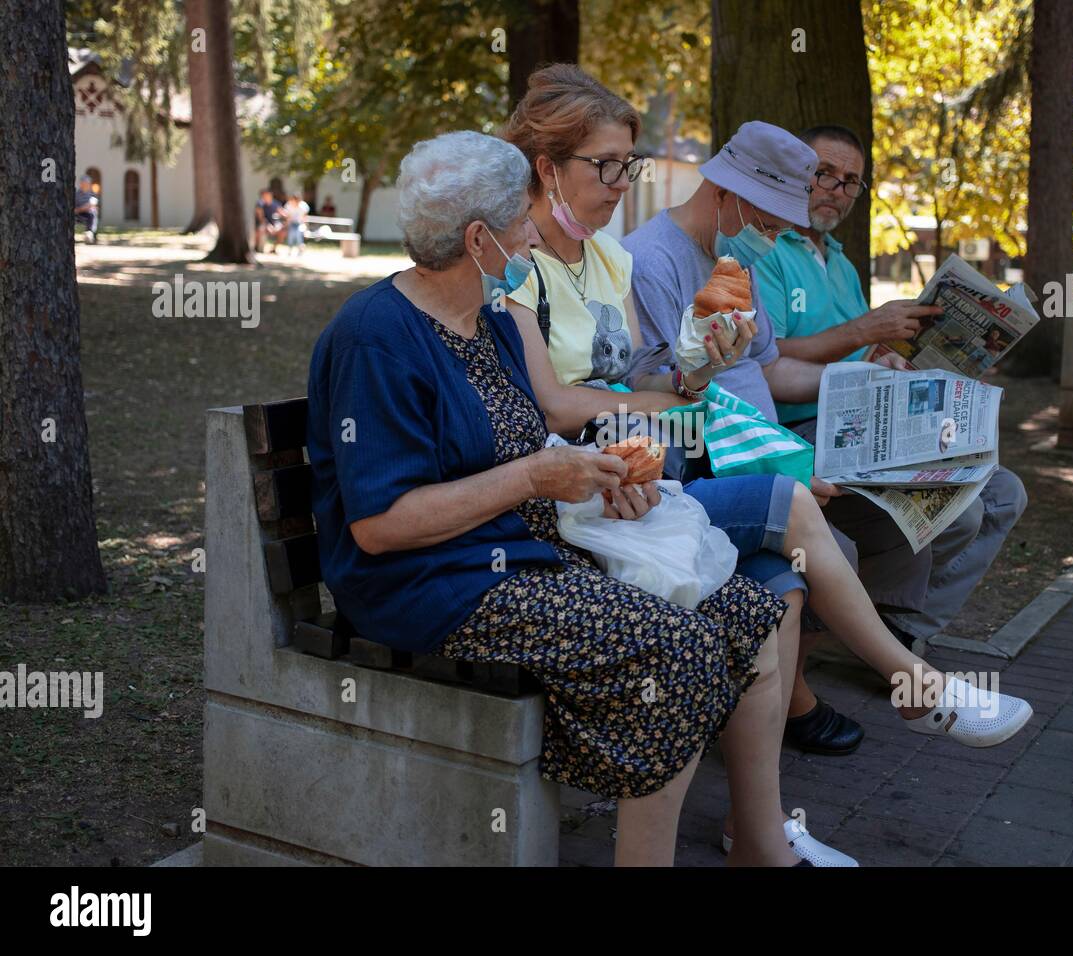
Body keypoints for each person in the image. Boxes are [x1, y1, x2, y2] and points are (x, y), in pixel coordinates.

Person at [498, 65, 1032, 861]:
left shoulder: (604, 260)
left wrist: (690, 373)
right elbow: (555, 407)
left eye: (627, 165)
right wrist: (681, 399)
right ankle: (909, 684)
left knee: (778, 587)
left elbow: (647, 381)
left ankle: (760, 837)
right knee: (791, 508)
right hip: (595, 489)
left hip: (649, 467)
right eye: (607, 166)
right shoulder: (526, 265)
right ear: (549, 168)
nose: (622, 182)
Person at [308, 130, 831, 867]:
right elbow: (379, 526)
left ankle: (760, 850)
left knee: (745, 611)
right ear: (478, 237)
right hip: (433, 583)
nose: (533, 234)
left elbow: (528, 448)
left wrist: (601, 482)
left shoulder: (489, 325)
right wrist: (534, 483)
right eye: (522, 221)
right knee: (674, 649)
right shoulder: (376, 338)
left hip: (525, 551)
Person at [625, 121, 1029, 753]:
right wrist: (779, 462)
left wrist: (858, 377)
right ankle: (840, 695)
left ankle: (863, 671)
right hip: (726, 464)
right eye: (772, 220)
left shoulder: (734, 256)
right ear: (729, 193)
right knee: (829, 539)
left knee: (922, 513)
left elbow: (768, 366)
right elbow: (658, 404)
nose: (780, 234)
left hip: (778, 452)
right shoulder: (652, 259)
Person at [254, 188, 285, 252]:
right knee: (260, 230)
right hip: (263, 224)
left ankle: (273, 248)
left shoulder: (276, 203)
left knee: (282, 232)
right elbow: (261, 218)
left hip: (273, 223)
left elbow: (282, 213)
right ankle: (256, 247)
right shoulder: (259, 204)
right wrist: (268, 225)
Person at [74, 175, 98, 243]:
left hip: (87, 213)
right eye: (82, 183)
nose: (83, 184)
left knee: (92, 215)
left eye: (85, 183)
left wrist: (79, 209)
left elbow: (91, 205)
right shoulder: (77, 193)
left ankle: (89, 233)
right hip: (78, 213)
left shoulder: (92, 193)